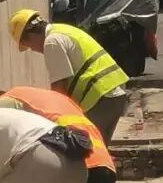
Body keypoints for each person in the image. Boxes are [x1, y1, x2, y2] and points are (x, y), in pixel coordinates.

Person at [8, 10, 129, 144]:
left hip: (100, 98)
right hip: (114, 94)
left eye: (29, 46)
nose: (33, 50)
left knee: (86, 149)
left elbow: (59, 90)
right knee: (99, 149)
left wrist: (52, 121)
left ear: (30, 36)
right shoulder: (63, 30)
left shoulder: (52, 42)